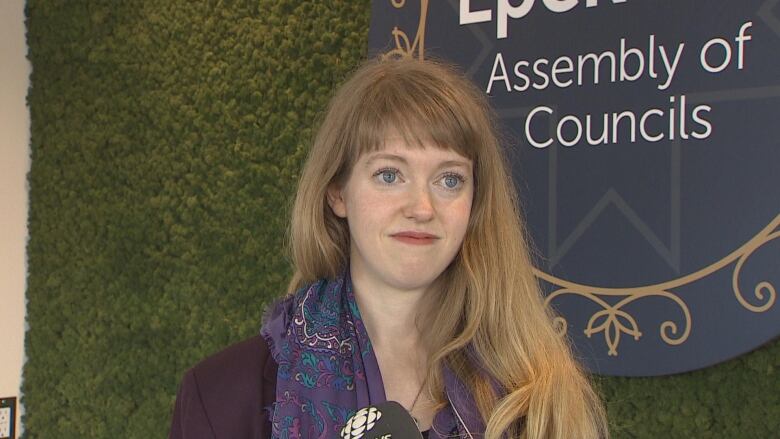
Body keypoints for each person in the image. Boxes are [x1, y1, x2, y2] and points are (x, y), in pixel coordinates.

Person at [169, 57, 608, 439]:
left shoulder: (543, 395)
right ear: (337, 192)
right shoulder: (221, 396)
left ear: (475, 204)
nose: (421, 207)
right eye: (389, 175)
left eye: (449, 179)